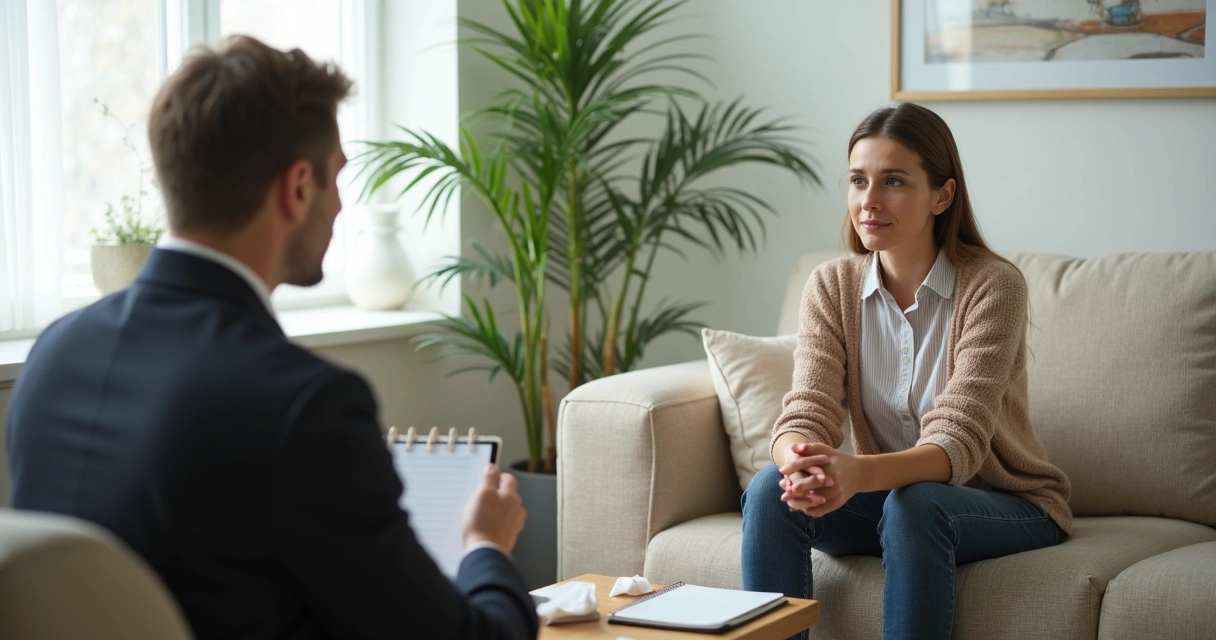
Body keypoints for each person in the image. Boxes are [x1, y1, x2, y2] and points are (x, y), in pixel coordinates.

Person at [6, 35, 537, 640]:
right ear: (298, 186)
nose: (340, 205)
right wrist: (484, 547)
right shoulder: (302, 405)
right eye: (337, 177)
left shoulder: (54, 355)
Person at [740, 103, 1071, 640]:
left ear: (942, 195)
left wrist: (856, 473)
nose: (868, 201)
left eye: (892, 181)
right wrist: (800, 460)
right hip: (892, 502)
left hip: (1003, 502)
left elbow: (957, 440)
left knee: (917, 503)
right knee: (767, 489)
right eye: (857, 180)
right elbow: (807, 408)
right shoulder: (832, 286)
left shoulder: (994, 286)